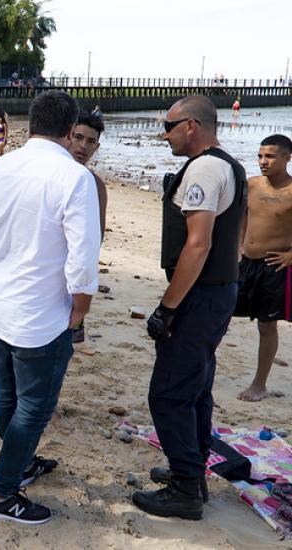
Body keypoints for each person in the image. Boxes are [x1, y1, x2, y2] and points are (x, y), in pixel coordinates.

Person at [0, 91, 101, 525]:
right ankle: (1, 495)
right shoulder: (73, 177)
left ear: (30, 125)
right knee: (34, 407)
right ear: (70, 131)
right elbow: (83, 259)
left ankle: (19, 465)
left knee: (9, 394)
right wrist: (79, 312)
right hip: (39, 314)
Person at [131, 96, 246, 521]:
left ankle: (184, 491)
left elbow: (198, 245)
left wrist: (168, 307)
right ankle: (193, 473)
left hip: (199, 296)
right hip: (218, 291)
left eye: (169, 124)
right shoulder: (230, 165)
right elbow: (239, 231)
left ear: (192, 125)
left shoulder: (204, 169)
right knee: (196, 387)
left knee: (169, 393)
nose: (164, 133)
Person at [0, 112, 109, 429]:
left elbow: (94, 239)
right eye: (79, 137)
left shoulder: (93, 185)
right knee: (5, 350)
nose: (83, 147)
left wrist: (80, 287)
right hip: (26, 278)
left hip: (66, 281)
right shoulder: (36, 173)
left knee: (60, 351)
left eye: (91, 142)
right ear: (66, 135)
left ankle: (50, 405)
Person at [233, 134, 292, 401]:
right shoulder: (252, 185)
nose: (263, 161)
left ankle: (260, 384)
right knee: (220, 313)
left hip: (273, 266)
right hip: (246, 263)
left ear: (287, 157)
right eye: (260, 156)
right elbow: (243, 215)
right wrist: (239, 246)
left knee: (267, 326)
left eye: (270, 156)